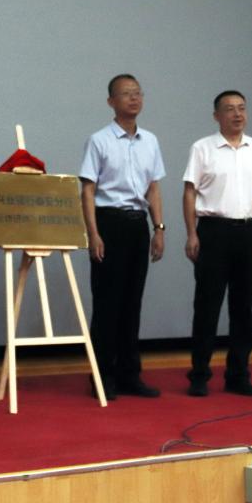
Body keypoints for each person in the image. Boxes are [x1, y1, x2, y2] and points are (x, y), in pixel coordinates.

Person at [182, 90, 252, 397]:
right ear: (216, 116)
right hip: (213, 232)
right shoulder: (203, 148)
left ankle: (238, 375)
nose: (237, 114)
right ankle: (199, 374)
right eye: (229, 109)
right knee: (207, 306)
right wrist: (192, 233)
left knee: (243, 308)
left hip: (250, 233)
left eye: (241, 108)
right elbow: (189, 192)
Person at [79, 74, 166, 400]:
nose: (134, 98)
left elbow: (153, 189)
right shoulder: (99, 140)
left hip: (137, 224)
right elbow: (87, 191)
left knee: (132, 303)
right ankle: (102, 377)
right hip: (109, 223)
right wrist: (93, 234)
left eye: (137, 93)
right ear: (111, 101)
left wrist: (159, 228)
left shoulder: (150, 141)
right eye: (126, 93)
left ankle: (130, 375)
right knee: (107, 304)